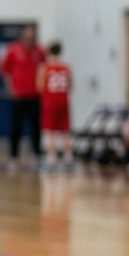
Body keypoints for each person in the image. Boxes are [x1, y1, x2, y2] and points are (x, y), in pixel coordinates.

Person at [0, 26, 46, 171]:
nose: (29, 41)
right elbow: (5, 71)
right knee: (16, 128)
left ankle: (36, 156)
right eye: (27, 37)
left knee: (36, 128)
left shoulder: (40, 51)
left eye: (32, 38)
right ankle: (14, 157)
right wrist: (10, 89)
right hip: (18, 97)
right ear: (22, 37)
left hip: (35, 96)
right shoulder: (13, 50)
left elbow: (45, 70)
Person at [37, 42, 74, 172]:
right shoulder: (65, 67)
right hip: (63, 100)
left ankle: (51, 159)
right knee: (65, 130)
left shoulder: (45, 68)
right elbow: (71, 85)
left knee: (50, 131)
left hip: (50, 101)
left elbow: (40, 86)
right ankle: (68, 158)